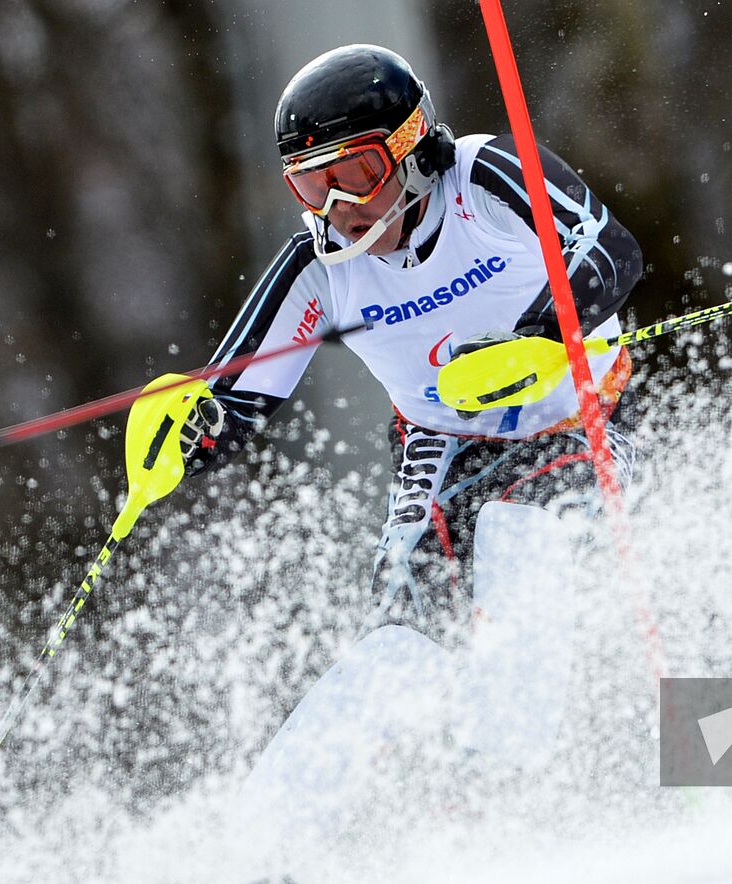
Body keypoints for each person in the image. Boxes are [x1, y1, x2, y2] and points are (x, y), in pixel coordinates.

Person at [179, 43, 642, 826]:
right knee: (400, 645)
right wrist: (185, 437)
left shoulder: (483, 175)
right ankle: (256, 843)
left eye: (352, 173)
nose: (334, 208)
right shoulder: (319, 268)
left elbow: (611, 251)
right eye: (307, 183)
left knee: (519, 535)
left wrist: (539, 333)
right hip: (439, 446)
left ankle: (512, 793)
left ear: (413, 149)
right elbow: (230, 404)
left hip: (573, 412)